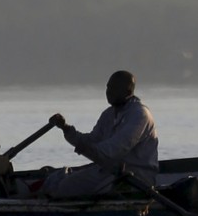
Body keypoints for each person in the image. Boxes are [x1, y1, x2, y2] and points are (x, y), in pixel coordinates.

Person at [34, 70, 157, 201]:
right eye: (108, 88)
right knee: (65, 186)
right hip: (107, 171)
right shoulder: (109, 114)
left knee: (103, 193)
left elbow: (113, 149)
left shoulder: (140, 115)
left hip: (135, 177)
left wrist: (86, 148)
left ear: (128, 91)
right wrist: (65, 128)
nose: (108, 92)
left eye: (114, 88)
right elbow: (92, 140)